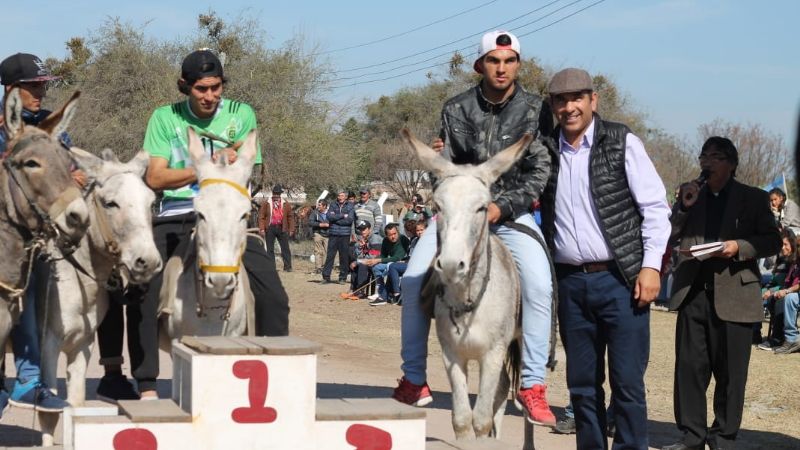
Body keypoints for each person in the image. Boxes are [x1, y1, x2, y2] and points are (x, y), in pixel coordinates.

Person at [392, 30, 559, 426]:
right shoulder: (456, 108)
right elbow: (443, 167)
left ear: (518, 64)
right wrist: (452, 197)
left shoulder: (536, 110)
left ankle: (533, 384)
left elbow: (541, 168)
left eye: (509, 61)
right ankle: (414, 379)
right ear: (479, 65)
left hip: (509, 212)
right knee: (414, 279)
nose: (501, 68)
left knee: (539, 284)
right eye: (494, 61)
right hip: (461, 212)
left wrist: (504, 205)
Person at [113, 49, 290, 400]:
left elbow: (248, 157)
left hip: (228, 213)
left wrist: (232, 158)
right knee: (142, 291)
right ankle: (146, 383)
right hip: (177, 213)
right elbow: (156, 175)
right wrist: (203, 167)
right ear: (185, 87)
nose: (210, 96)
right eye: (201, 89)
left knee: (274, 296)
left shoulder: (241, 113)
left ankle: (275, 379)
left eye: (216, 87)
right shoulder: (164, 118)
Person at [539, 68, 671, 449]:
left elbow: (655, 208)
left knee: (627, 383)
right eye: (561, 100)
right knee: (581, 385)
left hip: (621, 280)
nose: (569, 107)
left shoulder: (621, 141)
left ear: (593, 100)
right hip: (569, 283)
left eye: (577, 98)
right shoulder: (544, 150)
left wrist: (649, 267)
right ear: (552, 106)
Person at [666, 136, 781, 450]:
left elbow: (771, 241)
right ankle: (691, 437)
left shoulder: (753, 198)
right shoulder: (691, 195)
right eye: (704, 155)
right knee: (689, 368)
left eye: (716, 156)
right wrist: (682, 207)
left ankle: (723, 438)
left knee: (731, 374)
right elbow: (670, 234)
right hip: (693, 292)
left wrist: (738, 247)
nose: (708, 162)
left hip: (736, 294)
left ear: (731, 164)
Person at [0, 52, 72, 416]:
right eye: (33, 86)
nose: (40, 93)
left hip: (35, 236)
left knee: (36, 294)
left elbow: (65, 166)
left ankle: (30, 382)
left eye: (43, 86)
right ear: (12, 89)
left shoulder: (49, 125)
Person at [362, 223, 410, 306]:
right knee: (376, 267)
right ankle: (381, 292)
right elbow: (383, 255)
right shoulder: (385, 241)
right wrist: (374, 260)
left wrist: (378, 260)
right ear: (386, 235)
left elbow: (397, 258)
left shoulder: (403, 239)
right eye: (390, 235)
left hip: (402, 263)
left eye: (394, 233)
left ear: (397, 232)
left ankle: (389, 294)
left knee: (387, 265)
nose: (393, 237)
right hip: (391, 262)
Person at [387, 220, 427, 306]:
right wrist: (403, 261)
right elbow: (410, 256)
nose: (419, 232)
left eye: (421, 230)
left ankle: (399, 295)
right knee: (392, 266)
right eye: (417, 230)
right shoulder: (414, 240)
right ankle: (396, 293)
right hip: (411, 264)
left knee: (394, 267)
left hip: (423, 267)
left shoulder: (430, 242)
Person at [341, 220, 382, 300]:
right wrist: (360, 247)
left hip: (377, 262)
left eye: (364, 229)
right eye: (360, 229)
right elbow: (357, 255)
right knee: (354, 264)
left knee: (361, 265)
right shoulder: (362, 239)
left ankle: (360, 291)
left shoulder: (375, 239)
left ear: (369, 229)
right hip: (368, 261)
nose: (362, 231)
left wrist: (358, 262)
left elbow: (373, 256)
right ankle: (354, 289)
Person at [258, 184, 295, 272]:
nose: (276, 196)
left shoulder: (285, 204)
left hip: (282, 227)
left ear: (280, 194)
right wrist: (262, 228)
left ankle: (288, 267)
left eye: (278, 194)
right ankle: (271, 267)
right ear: (272, 193)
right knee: (270, 248)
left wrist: (291, 229)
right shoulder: (266, 203)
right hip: (270, 227)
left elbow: (290, 217)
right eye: (275, 193)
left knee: (285, 248)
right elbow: (261, 216)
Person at [322, 189, 355, 284]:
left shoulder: (350, 206)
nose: (340, 197)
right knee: (330, 256)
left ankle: (342, 277)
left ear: (345, 196)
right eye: (338, 195)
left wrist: (336, 219)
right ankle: (326, 277)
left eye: (342, 195)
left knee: (344, 257)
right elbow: (329, 217)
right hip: (333, 233)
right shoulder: (333, 204)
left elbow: (349, 220)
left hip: (344, 234)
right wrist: (342, 216)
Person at [308, 199, 330, 275]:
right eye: (318, 205)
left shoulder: (330, 213)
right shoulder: (315, 213)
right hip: (318, 233)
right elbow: (310, 222)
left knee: (327, 251)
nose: (318, 206)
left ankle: (325, 268)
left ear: (324, 206)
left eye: (320, 205)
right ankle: (318, 268)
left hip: (328, 234)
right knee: (318, 251)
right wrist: (320, 225)